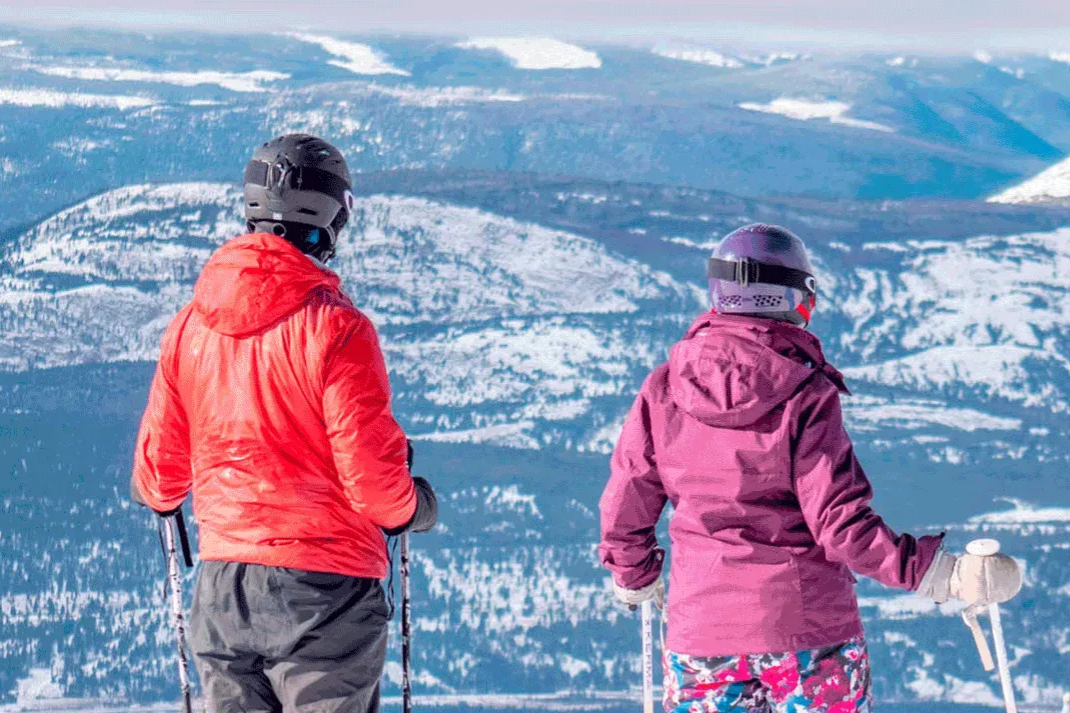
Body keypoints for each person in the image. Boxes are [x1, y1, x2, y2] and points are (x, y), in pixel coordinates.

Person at [598, 223, 1022, 713]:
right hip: (809, 635)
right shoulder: (804, 392)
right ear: (796, 296)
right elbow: (839, 525)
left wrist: (634, 576)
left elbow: (627, 500)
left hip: (701, 638)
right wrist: (938, 574)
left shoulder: (665, 386)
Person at [131, 133, 438, 713]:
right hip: (325, 595)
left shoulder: (189, 327)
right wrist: (415, 507)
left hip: (223, 593)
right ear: (333, 219)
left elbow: (157, 481)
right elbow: (373, 484)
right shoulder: (339, 330)